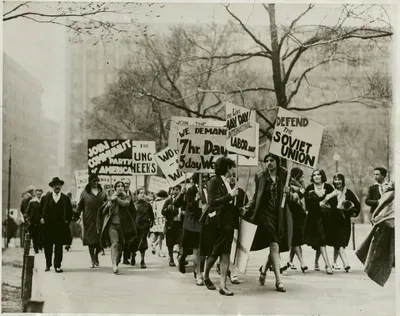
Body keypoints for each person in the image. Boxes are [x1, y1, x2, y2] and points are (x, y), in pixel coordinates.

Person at [241, 154, 292, 292]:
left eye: (271, 160)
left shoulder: (285, 174)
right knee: (274, 245)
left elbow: (295, 195)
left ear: (277, 161)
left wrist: (290, 192)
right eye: (266, 161)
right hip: (264, 215)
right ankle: (279, 281)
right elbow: (257, 195)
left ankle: (263, 271)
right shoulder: (260, 176)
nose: (268, 163)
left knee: (274, 247)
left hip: (279, 216)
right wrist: (248, 207)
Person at [199, 156, 241, 296]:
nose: (233, 170)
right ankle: (205, 275)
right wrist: (230, 195)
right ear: (227, 168)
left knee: (225, 253)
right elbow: (212, 202)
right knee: (215, 253)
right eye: (232, 167)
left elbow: (229, 204)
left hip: (228, 223)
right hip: (217, 223)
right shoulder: (214, 181)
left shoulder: (226, 182)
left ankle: (222, 285)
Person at [356, 182, 395, 287]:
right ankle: (371, 266)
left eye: (377, 174)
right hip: (385, 220)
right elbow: (376, 202)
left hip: (387, 220)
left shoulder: (390, 189)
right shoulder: (386, 190)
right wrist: (375, 215)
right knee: (379, 244)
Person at [98, 181, 137, 274]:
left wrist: (115, 199)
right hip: (112, 225)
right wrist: (108, 205)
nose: (120, 187)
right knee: (114, 244)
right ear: (115, 188)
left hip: (124, 226)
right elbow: (103, 212)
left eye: (121, 186)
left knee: (121, 246)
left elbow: (125, 204)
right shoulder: (110, 198)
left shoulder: (127, 197)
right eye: (118, 186)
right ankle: (114, 265)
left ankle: (117, 260)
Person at [216, 174, 248, 284]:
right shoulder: (222, 190)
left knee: (233, 248)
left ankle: (233, 273)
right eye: (231, 176)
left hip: (235, 222)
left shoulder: (241, 192)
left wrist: (244, 209)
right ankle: (220, 264)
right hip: (223, 222)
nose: (233, 178)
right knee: (223, 248)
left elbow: (246, 205)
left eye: (235, 176)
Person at [326, 173, 360, 272]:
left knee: (340, 242)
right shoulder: (331, 193)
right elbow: (324, 204)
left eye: (339, 179)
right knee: (339, 242)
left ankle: (334, 262)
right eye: (335, 179)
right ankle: (346, 263)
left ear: (343, 180)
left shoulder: (348, 192)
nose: (337, 181)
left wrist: (353, 212)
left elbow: (357, 205)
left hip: (344, 221)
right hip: (333, 221)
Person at [303, 169, 334, 274]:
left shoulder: (329, 187)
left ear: (322, 176)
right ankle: (328, 265)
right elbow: (309, 205)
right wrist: (319, 204)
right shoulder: (309, 188)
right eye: (314, 175)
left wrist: (326, 205)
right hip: (314, 218)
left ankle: (316, 261)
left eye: (318, 174)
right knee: (321, 240)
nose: (316, 176)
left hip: (327, 218)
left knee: (322, 241)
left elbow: (333, 203)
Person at [73, 174, 108, 268]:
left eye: (97, 181)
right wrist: (76, 214)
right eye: (93, 181)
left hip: (100, 218)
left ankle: (96, 255)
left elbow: (108, 202)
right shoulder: (84, 193)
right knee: (90, 239)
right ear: (90, 182)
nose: (96, 183)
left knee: (99, 239)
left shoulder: (103, 192)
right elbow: (80, 205)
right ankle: (92, 259)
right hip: (88, 218)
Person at [40, 177, 73, 273]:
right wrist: (41, 219)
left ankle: (57, 265)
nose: (57, 187)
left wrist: (67, 221)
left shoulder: (65, 198)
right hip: (48, 226)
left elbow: (70, 212)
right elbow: (40, 211)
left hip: (60, 226)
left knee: (59, 246)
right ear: (52, 187)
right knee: (47, 246)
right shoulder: (45, 198)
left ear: (61, 186)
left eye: (59, 185)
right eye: (55, 185)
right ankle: (48, 264)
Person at [179, 173, 205, 286]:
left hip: (205, 222)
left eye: (205, 178)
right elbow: (189, 206)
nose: (204, 180)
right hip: (194, 224)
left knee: (203, 251)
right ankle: (198, 273)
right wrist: (196, 200)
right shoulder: (191, 190)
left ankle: (198, 270)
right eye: (202, 178)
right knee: (195, 250)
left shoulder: (207, 189)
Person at [285, 168, 308, 272]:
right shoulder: (289, 186)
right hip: (291, 216)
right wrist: (301, 190)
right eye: (302, 176)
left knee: (296, 240)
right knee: (295, 240)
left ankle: (290, 261)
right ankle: (302, 262)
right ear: (297, 176)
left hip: (299, 216)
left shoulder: (302, 187)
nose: (303, 178)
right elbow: (293, 198)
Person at [162, 185, 185, 267]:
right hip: (171, 224)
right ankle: (171, 259)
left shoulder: (183, 200)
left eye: (177, 190)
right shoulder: (168, 201)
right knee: (170, 243)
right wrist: (167, 209)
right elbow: (163, 212)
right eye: (174, 190)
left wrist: (184, 213)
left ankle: (181, 257)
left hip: (180, 224)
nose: (175, 191)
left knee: (181, 241)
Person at [131, 188, 154, 269]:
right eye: (140, 193)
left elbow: (152, 217)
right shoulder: (134, 205)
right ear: (137, 195)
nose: (142, 194)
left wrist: (151, 225)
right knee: (134, 243)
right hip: (135, 227)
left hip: (144, 227)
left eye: (144, 193)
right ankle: (133, 255)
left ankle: (142, 261)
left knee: (142, 244)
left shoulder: (148, 205)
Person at [121, 177, 136, 265]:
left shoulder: (132, 194)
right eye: (125, 183)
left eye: (128, 183)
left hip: (130, 219)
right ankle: (120, 256)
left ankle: (126, 257)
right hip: (121, 219)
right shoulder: (119, 194)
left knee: (129, 239)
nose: (126, 185)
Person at [26, 188, 44, 253]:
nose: (39, 195)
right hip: (33, 221)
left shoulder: (44, 201)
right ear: (36, 194)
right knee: (34, 236)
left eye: (40, 194)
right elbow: (27, 212)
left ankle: (40, 247)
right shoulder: (32, 202)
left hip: (42, 222)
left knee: (41, 235)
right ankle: (36, 249)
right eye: (38, 193)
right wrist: (28, 220)